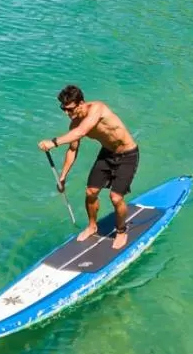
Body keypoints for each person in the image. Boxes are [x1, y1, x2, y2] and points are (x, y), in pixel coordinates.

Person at [38, 85, 140, 249]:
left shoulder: (97, 109)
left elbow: (81, 132)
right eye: (63, 109)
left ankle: (121, 231)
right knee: (90, 192)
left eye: (70, 109)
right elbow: (72, 150)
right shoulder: (74, 125)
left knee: (116, 197)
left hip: (128, 154)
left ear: (81, 103)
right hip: (107, 154)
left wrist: (53, 142)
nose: (67, 113)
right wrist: (63, 176)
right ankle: (92, 226)